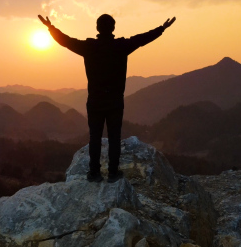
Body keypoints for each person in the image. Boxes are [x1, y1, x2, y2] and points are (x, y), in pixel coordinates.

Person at [37, 13, 177, 183]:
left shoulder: (89, 47)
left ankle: (94, 173)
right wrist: (161, 28)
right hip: (115, 101)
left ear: (97, 28)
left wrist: (50, 28)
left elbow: (66, 41)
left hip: (95, 100)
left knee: (94, 138)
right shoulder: (121, 46)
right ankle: (113, 173)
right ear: (113, 28)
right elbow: (141, 39)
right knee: (114, 138)